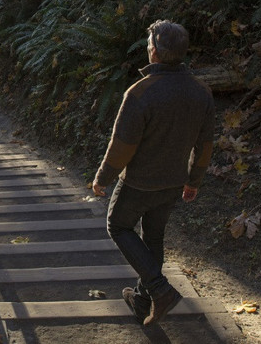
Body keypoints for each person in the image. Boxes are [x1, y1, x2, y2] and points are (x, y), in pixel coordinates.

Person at [91, 20, 215, 326]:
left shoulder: (140, 92)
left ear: (154, 53)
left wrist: (103, 177)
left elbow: (123, 145)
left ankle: (160, 291)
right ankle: (143, 300)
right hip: (173, 183)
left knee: (118, 226)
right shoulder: (201, 91)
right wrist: (193, 180)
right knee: (154, 236)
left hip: (138, 183)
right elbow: (206, 144)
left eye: (149, 45)